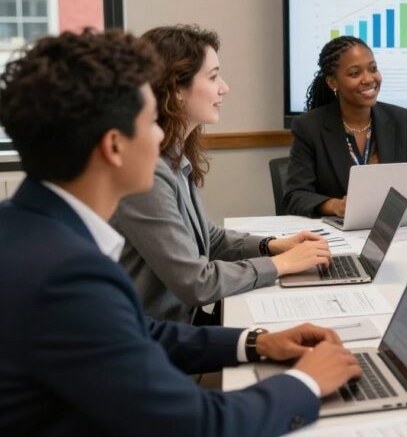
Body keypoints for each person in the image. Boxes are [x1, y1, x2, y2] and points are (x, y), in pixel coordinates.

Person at [0, 29, 362, 436]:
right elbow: (200, 425)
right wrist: (306, 383)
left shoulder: (30, 229)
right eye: (148, 122)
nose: (160, 135)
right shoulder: (67, 275)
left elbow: (140, 330)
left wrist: (256, 342)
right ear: (114, 147)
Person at [111, 25, 330, 324]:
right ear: (176, 89)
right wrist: (280, 264)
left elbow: (209, 240)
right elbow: (196, 282)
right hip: (157, 337)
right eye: (213, 77)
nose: (224, 88)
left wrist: (271, 245)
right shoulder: (147, 172)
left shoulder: (174, 157)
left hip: (180, 325)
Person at [283, 35, 407, 217]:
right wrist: (336, 206)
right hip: (339, 229)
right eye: (355, 73)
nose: (368, 79)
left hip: (393, 225)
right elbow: (295, 196)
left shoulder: (400, 119)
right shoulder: (309, 127)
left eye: (372, 69)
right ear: (333, 82)